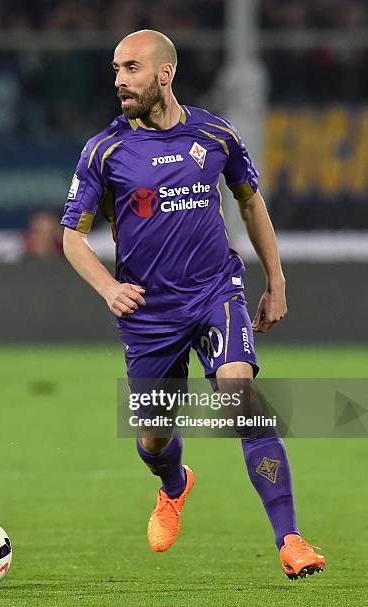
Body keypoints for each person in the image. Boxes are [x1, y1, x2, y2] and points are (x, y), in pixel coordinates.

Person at [61, 29, 325, 579]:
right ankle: (175, 482)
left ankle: (291, 539)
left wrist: (275, 280)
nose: (119, 81)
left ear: (165, 73)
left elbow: (251, 204)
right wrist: (109, 288)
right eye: (115, 70)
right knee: (154, 436)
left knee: (238, 394)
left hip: (214, 291)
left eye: (131, 68)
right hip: (148, 312)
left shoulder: (215, 134)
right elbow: (71, 237)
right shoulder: (105, 151)